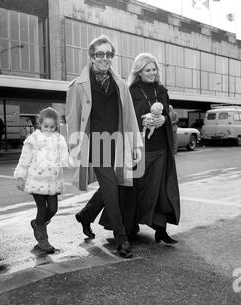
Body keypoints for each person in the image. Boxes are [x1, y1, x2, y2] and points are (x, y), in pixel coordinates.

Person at [65, 34, 143, 258]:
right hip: (95, 145)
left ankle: (85, 215)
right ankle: (122, 239)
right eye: (100, 54)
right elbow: (73, 118)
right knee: (111, 189)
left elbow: (128, 116)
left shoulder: (120, 83)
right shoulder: (78, 86)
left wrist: (135, 144)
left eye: (109, 54)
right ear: (91, 56)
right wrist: (75, 146)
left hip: (117, 143)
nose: (105, 58)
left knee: (116, 185)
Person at [100, 53, 180, 244]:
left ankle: (161, 230)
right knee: (134, 190)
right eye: (147, 70)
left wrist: (164, 118)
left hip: (160, 149)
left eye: (154, 69)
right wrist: (141, 118)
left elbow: (167, 112)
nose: (152, 73)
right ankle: (128, 227)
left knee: (160, 190)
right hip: (138, 149)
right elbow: (125, 117)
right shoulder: (131, 91)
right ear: (139, 72)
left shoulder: (161, 90)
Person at [14, 108, 70, 253]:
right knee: (42, 209)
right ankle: (43, 240)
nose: (49, 129)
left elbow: (65, 157)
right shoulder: (33, 139)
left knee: (53, 209)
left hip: (53, 182)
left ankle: (37, 224)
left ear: (56, 126)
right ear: (40, 124)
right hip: (36, 181)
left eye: (52, 127)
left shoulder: (59, 139)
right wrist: (20, 177)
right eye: (46, 126)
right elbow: (24, 159)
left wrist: (73, 162)